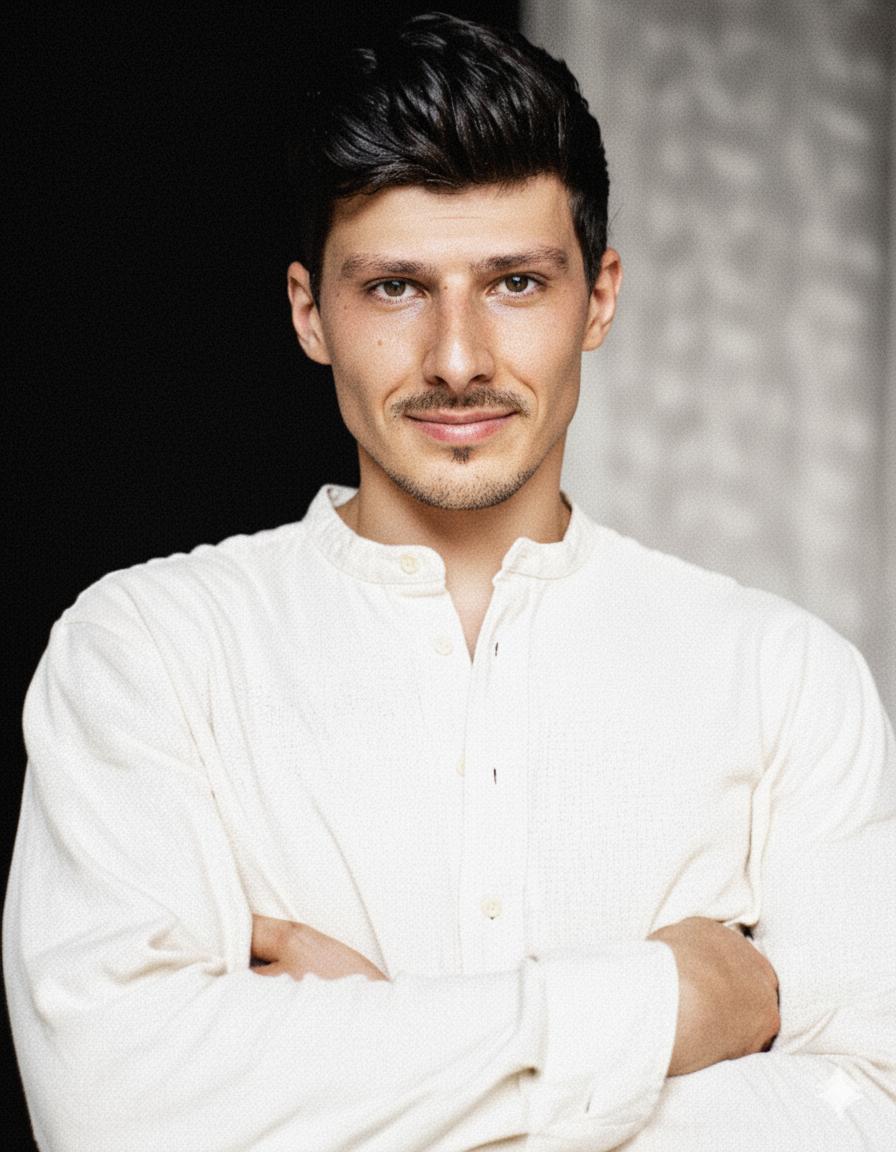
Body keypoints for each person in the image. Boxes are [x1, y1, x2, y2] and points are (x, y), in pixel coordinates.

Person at [4, 11, 894, 1151]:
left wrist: (358, 1052)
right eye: (393, 290)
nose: (458, 358)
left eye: (516, 283)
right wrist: (662, 1005)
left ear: (601, 298)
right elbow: (113, 1109)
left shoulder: (783, 675)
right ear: (307, 312)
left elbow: (863, 1114)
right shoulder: (147, 651)